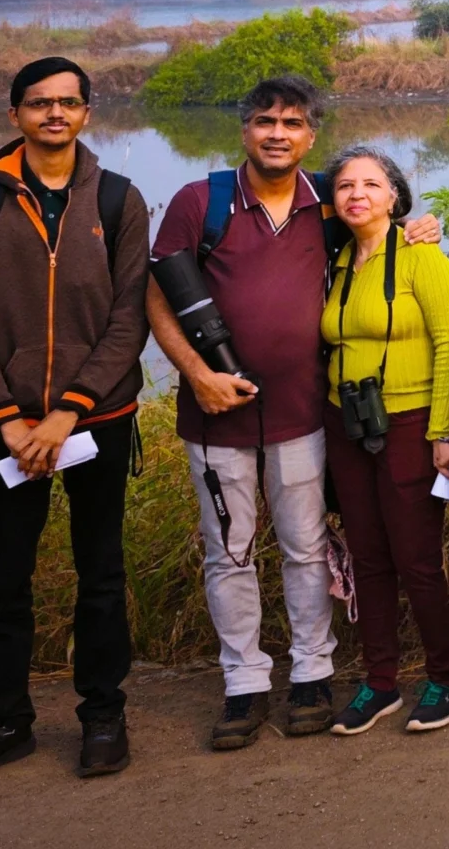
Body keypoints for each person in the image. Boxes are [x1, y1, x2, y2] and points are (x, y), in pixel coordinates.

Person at [0, 57, 149, 789]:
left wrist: (66, 412)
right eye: (39, 103)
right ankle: (3, 725)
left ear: (87, 113)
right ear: (15, 114)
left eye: (68, 102)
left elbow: (128, 319)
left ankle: (103, 716)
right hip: (6, 430)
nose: (55, 113)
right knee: (5, 578)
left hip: (97, 422)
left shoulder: (118, 200)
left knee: (101, 572)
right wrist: (8, 417)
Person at [146, 76, 349, 752]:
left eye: (292, 123)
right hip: (216, 414)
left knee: (305, 548)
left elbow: (385, 223)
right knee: (228, 553)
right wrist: (197, 374)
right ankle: (244, 682)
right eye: (265, 121)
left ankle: (313, 673)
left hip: (302, 411)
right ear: (244, 130)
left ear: (311, 136)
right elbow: (158, 294)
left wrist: (419, 227)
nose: (277, 134)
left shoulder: (329, 201)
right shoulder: (200, 201)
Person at [317, 147, 449, 736]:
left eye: (371, 184)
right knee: (367, 557)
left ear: (395, 197)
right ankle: (380, 681)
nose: (356, 194)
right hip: (346, 423)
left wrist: (442, 432)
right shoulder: (335, 259)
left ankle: (444, 680)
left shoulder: (419, 255)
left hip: (408, 423)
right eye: (344, 185)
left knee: (417, 559)